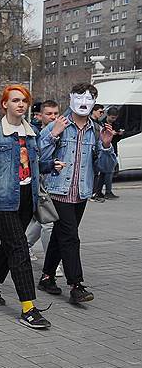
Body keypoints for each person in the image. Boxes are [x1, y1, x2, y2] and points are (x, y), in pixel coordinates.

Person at [0, 85, 53, 330]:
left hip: (28, 197)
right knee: (19, 250)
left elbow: (33, 164)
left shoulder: (32, 132)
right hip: (4, 199)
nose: (21, 105)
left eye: (24, 101)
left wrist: (50, 165)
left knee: (9, 245)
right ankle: (28, 308)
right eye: (15, 100)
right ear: (4, 104)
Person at [37, 83, 117, 304]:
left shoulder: (97, 130)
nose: (84, 103)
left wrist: (107, 146)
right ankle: (76, 284)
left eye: (89, 98)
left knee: (59, 236)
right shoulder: (58, 125)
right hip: (58, 190)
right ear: (71, 98)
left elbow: (106, 167)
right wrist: (53, 135)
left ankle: (46, 276)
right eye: (79, 97)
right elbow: (37, 155)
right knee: (70, 236)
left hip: (81, 192)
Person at [26, 100, 60, 269]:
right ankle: (51, 263)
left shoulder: (60, 130)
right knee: (48, 223)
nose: (53, 117)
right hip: (40, 182)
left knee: (44, 219)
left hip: (55, 182)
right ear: (40, 115)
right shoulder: (36, 132)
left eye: (55, 114)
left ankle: (26, 245)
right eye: (49, 114)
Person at [92, 106, 121, 201]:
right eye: (112, 117)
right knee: (108, 171)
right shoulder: (102, 124)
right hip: (103, 150)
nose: (113, 119)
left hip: (112, 149)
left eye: (115, 118)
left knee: (104, 173)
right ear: (108, 115)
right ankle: (107, 192)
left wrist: (118, 134)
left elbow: (116, 140)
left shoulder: (116, 124)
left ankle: (98, 191)